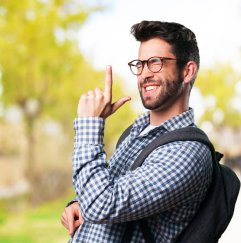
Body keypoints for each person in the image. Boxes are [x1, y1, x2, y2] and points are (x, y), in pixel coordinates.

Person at [60, 20, 213, 242]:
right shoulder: (137, 131)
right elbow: (108, 192)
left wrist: (89, 126)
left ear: (187, 71)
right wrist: (78, 203)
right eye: (140, 64)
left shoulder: (187, 151)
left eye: (155, 62)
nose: (144, 74)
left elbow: (103, 205)